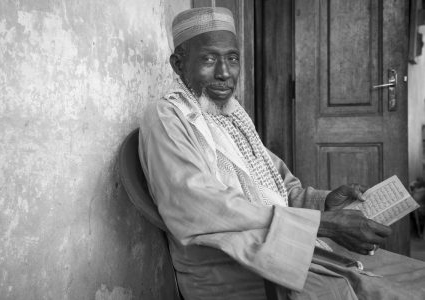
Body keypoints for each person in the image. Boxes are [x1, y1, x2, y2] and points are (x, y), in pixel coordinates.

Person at [138, 7, 425, 299]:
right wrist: (323, 225)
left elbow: (280, 188)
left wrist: (325, 202)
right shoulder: (167, 118)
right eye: (209, 59)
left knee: (413, 278)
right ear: (178, 63)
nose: (224, 73)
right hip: (234, 267)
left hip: (281, 248)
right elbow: (200, 207)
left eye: (232, 59)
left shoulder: (230, 115)